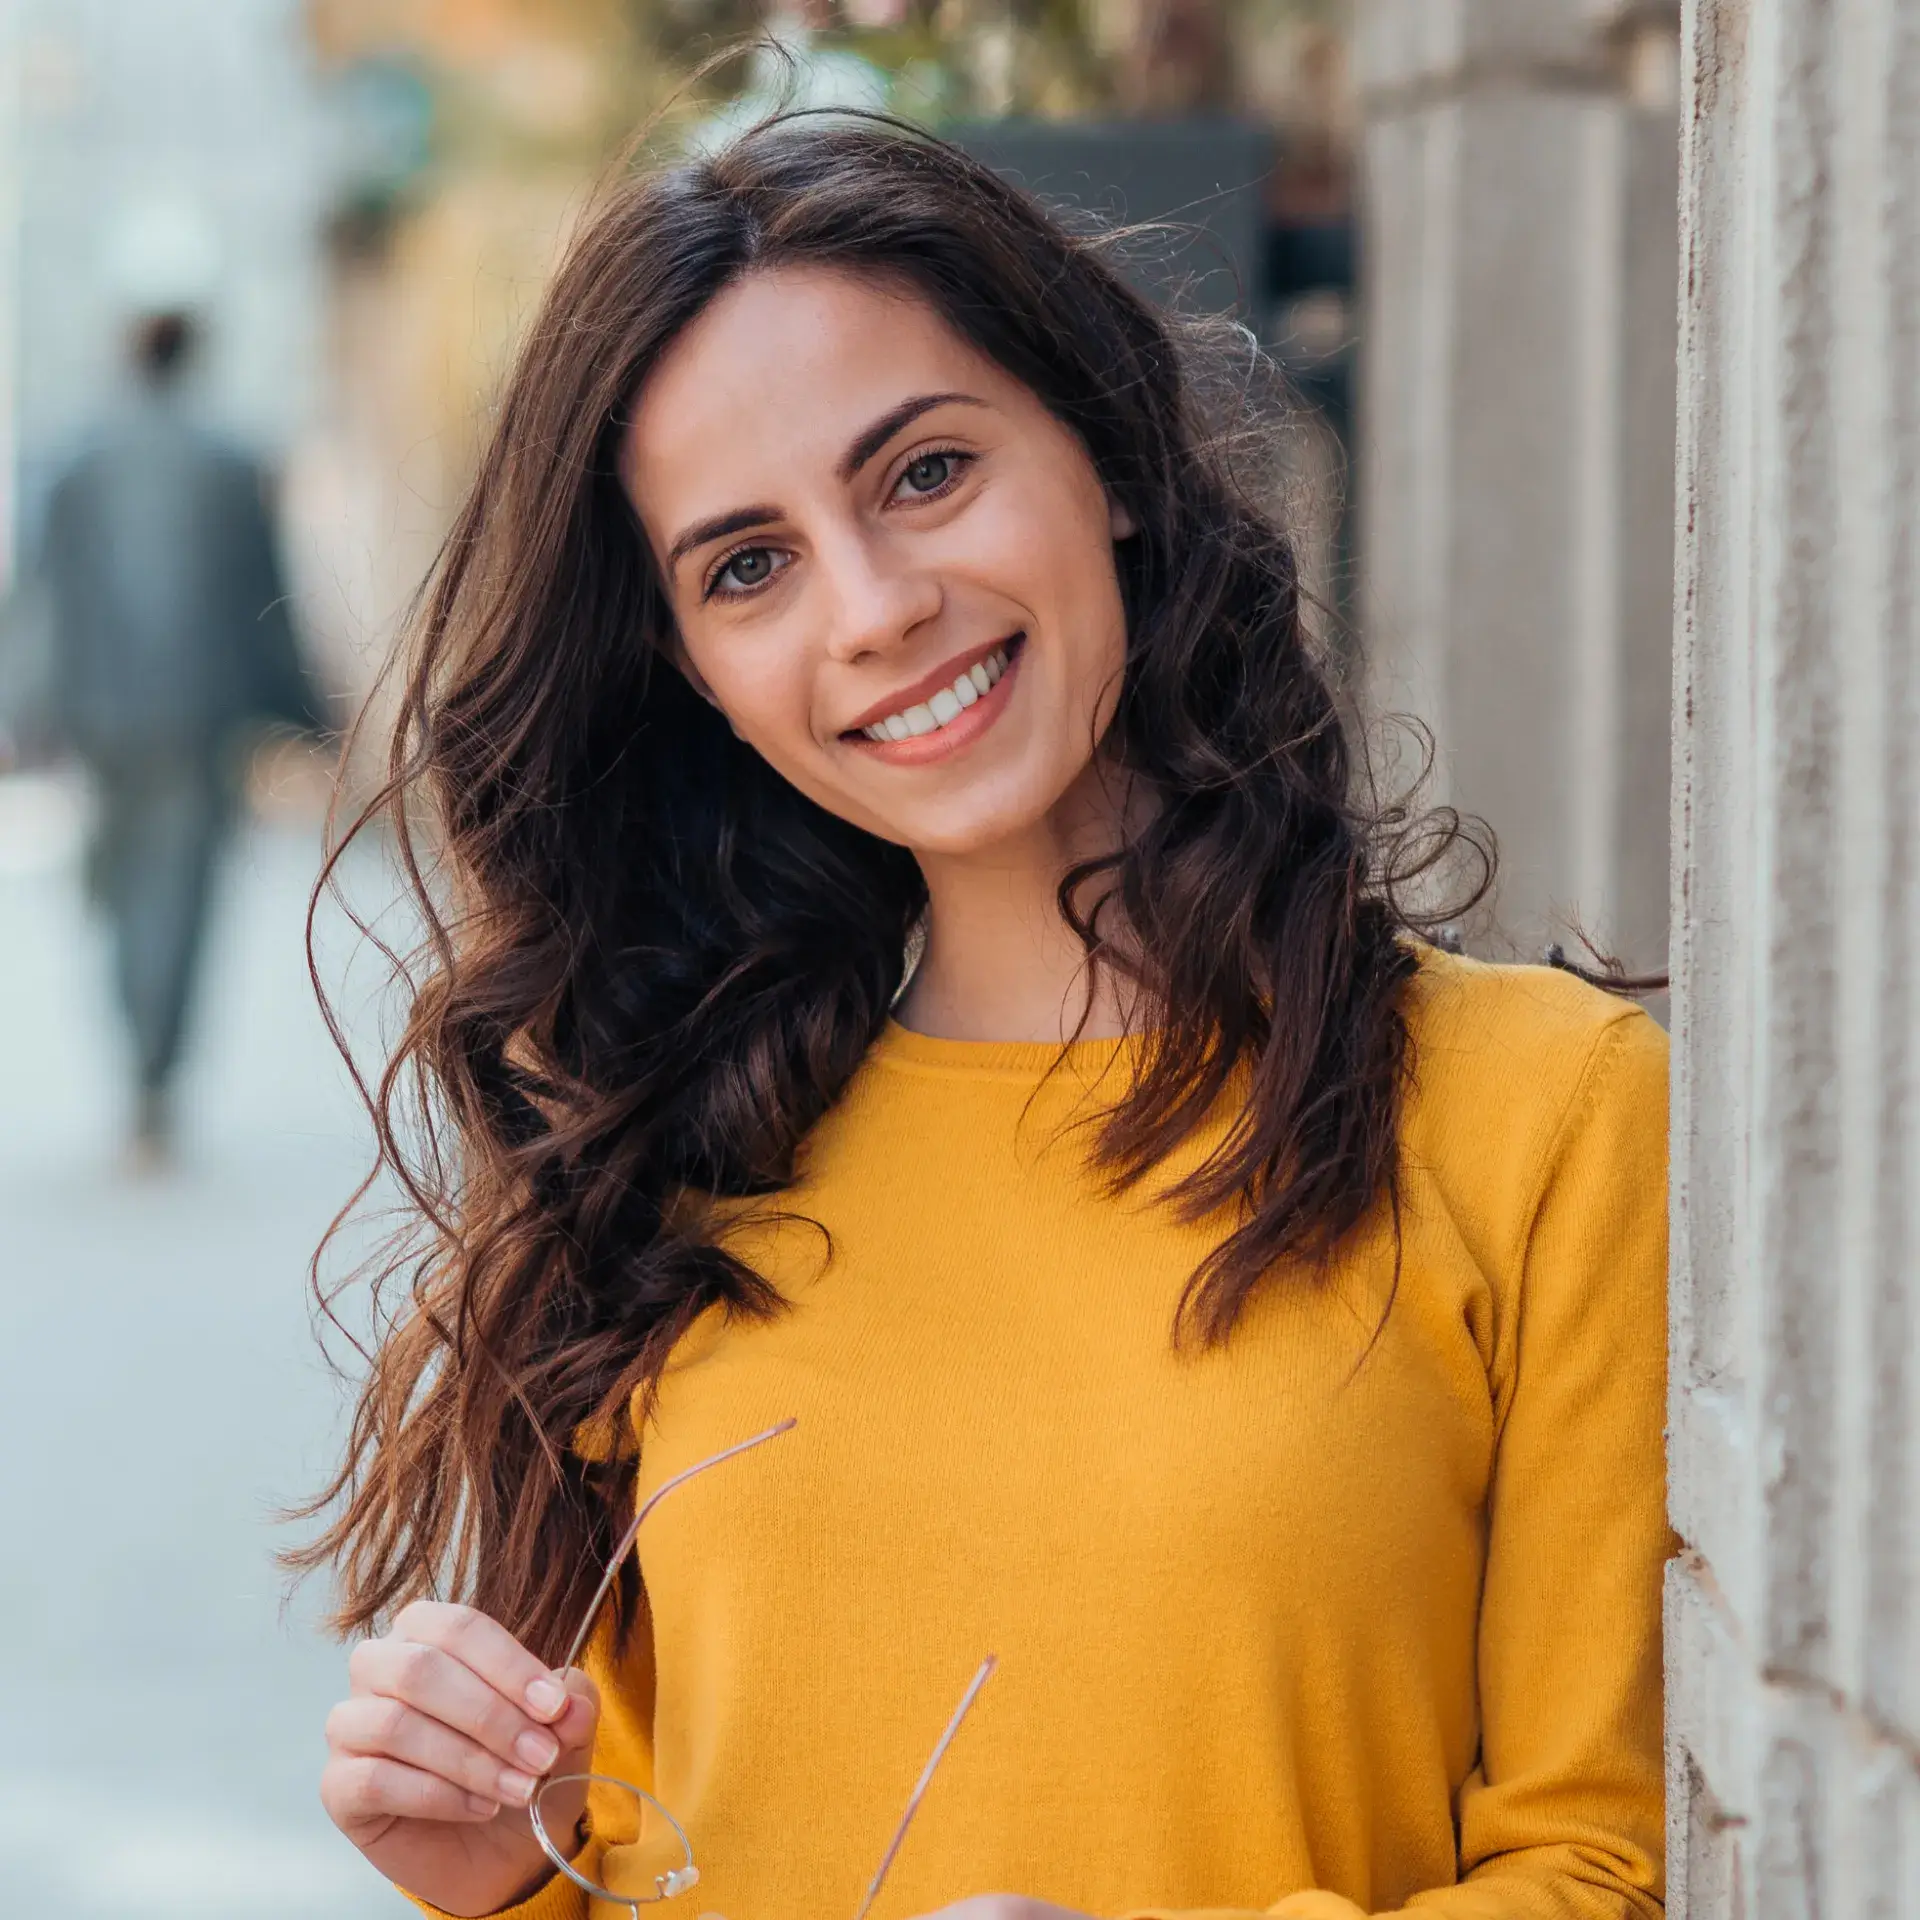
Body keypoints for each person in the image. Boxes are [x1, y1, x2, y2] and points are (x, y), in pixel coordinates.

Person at [304, 116, 1670, 1920]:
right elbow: (664, 1847)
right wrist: (510, 1886)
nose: (874, 607)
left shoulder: (1544, 1121)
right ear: (692, 676)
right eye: (746, 567)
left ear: (1101, 452)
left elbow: (1615, 1866)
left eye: (926, 472)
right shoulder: (682, 1176)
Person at [41, 309, 318, 1164]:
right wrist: (310, 712)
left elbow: (45, 600)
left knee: (124, 888)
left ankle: (141, 1057)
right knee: (184, 894)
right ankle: (158, 1076)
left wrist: (31, 713)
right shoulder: (233, 465)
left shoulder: (76, 461)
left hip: (105, 717)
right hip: (203, 717)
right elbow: (270, 600)